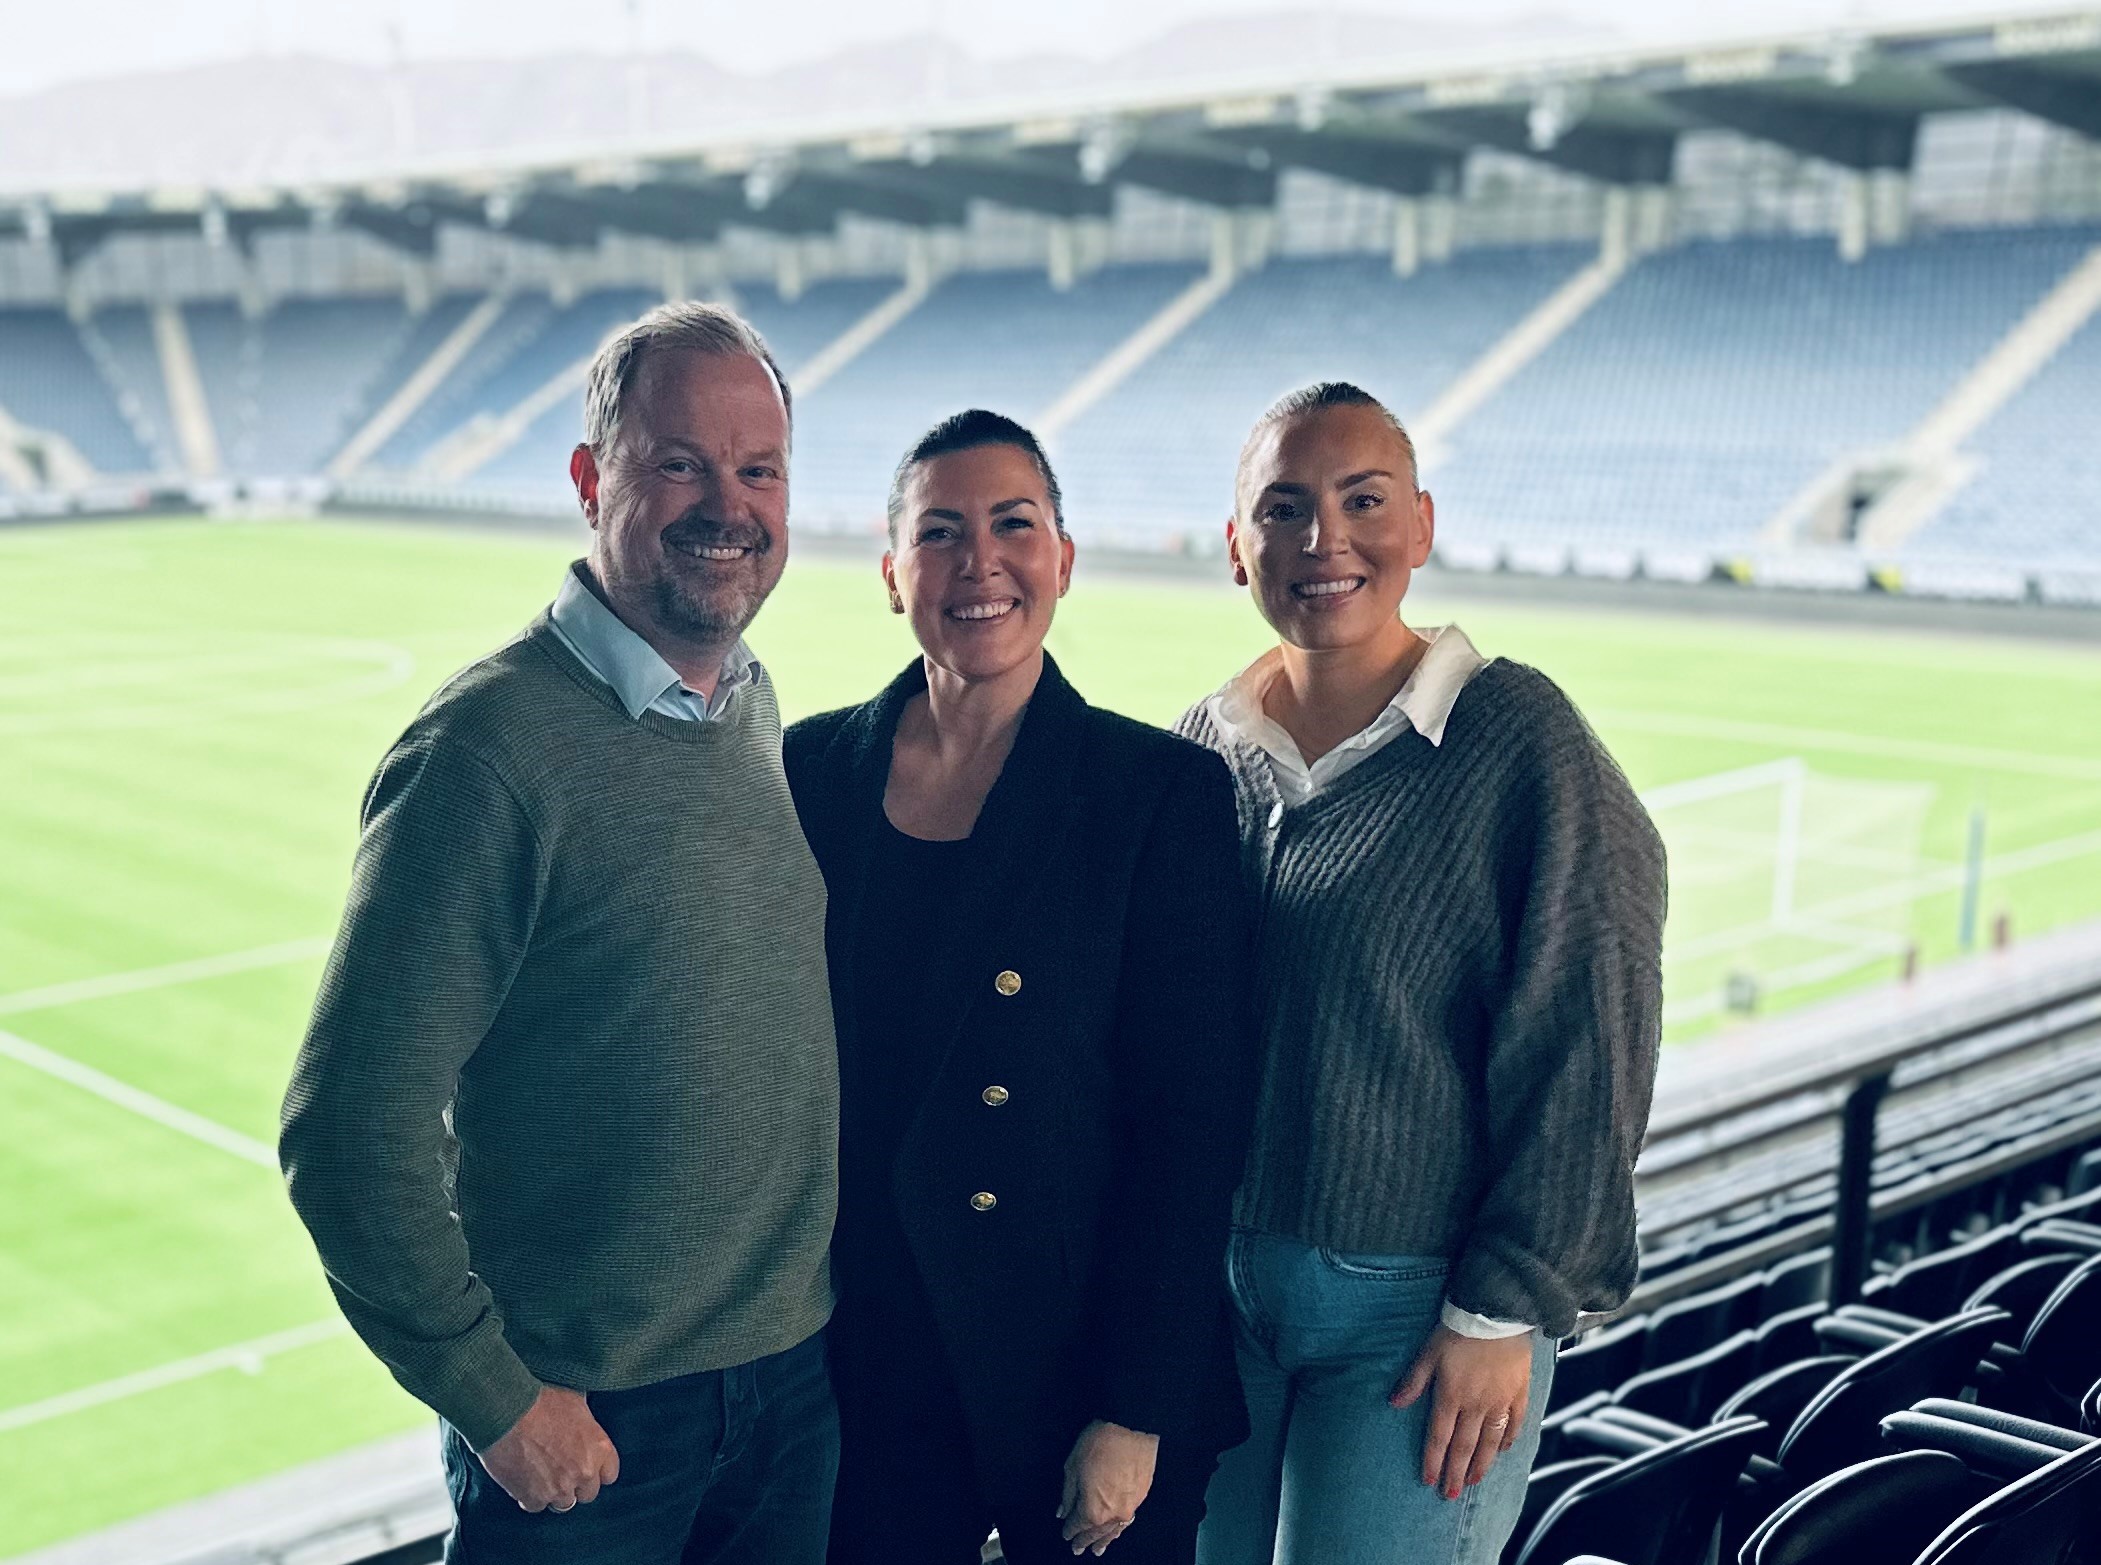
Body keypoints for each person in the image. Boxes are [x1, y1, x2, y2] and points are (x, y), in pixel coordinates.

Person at [280, 302, 841, 1565]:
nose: (729, 504)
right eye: (680, 461)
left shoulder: (746, 705)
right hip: (591, 1431)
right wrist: (496, 1398)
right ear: (593, 480)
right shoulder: (487, 751)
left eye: (760, 470)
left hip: (789, 1393)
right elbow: (346, 1128)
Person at [1181, 382, 1666, 1565]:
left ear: (1422, 524)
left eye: (1362, 501)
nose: (1322, 540)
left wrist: (1508, 1302)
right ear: (1234, 541)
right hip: (1206, 1307)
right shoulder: (1203, 743)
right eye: (1283, 507)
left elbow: (1589, 1028)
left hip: (1412, 1314)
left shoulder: (1515, 735)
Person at [783, 409, 1258, 1565]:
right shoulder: (807, 771)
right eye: (940, 532)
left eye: (1014, 525)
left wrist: (1135, 1406)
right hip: (874, 1364)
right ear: (892, 575)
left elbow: (1189, 1129)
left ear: (1062, 560)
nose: (979, 561)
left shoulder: (1159, 794)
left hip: (1083, 1364)